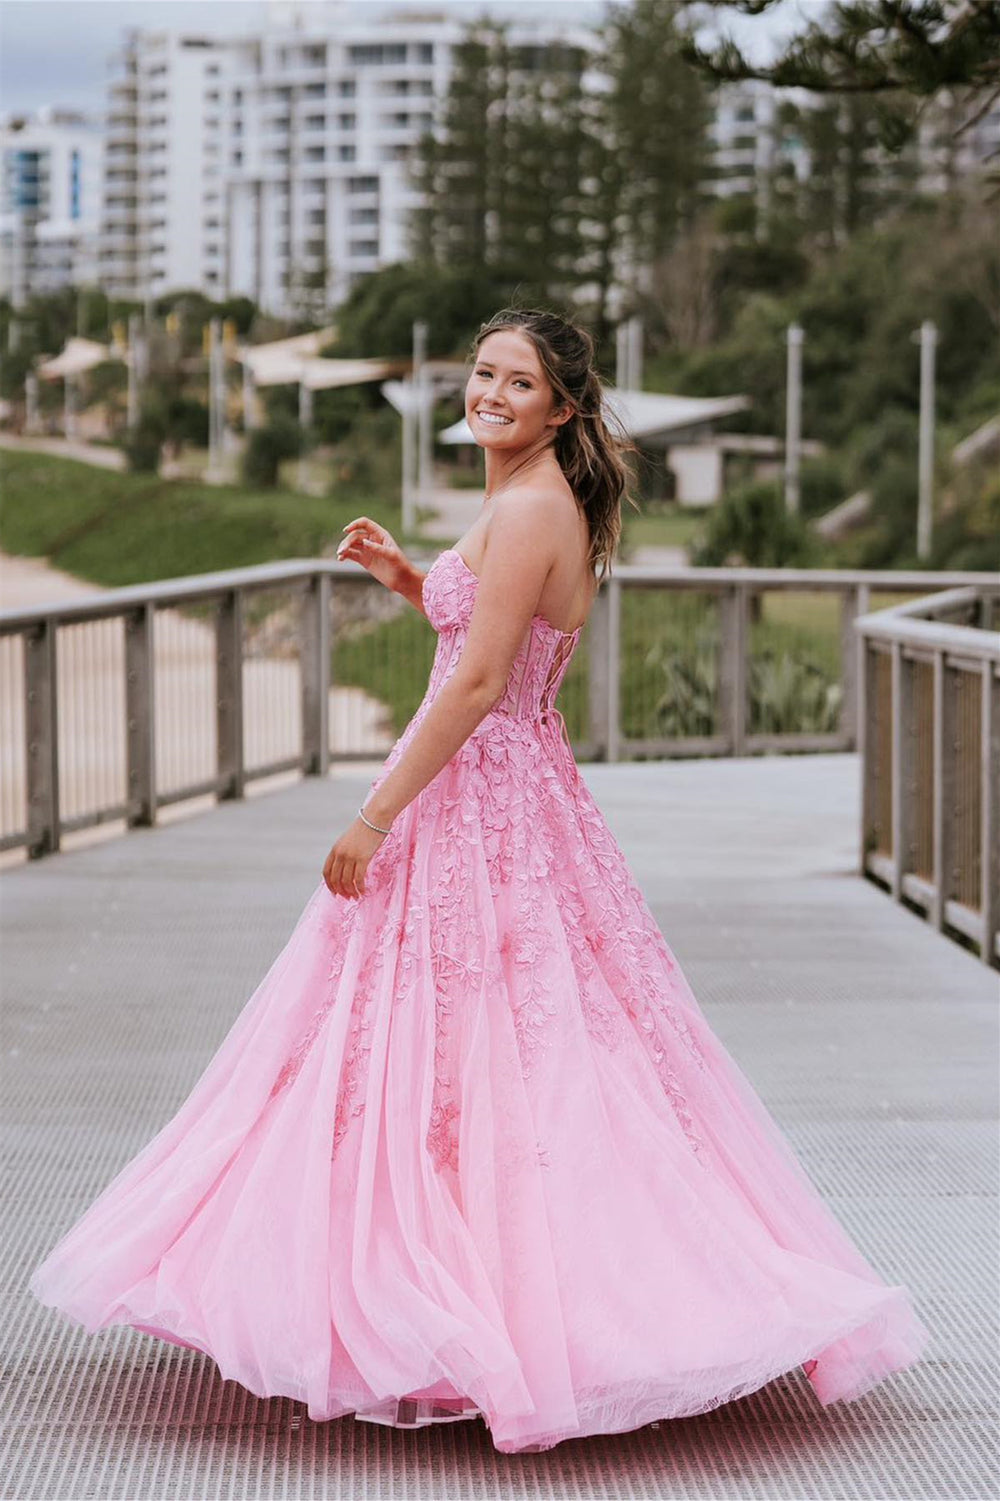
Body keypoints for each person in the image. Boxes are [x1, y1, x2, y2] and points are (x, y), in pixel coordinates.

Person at [29, 307, 929, 1456]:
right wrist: (414, 577)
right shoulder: (530, 500)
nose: (489, 392)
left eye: (517, 381)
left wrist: (372, 814)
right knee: (486, 1038)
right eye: (481, 373)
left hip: (480, 799)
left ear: (561, 405)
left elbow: (477, 686)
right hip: (512, 790)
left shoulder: (534, 505)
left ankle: (511, 1308)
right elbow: (491, 644)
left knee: (486, 1041)